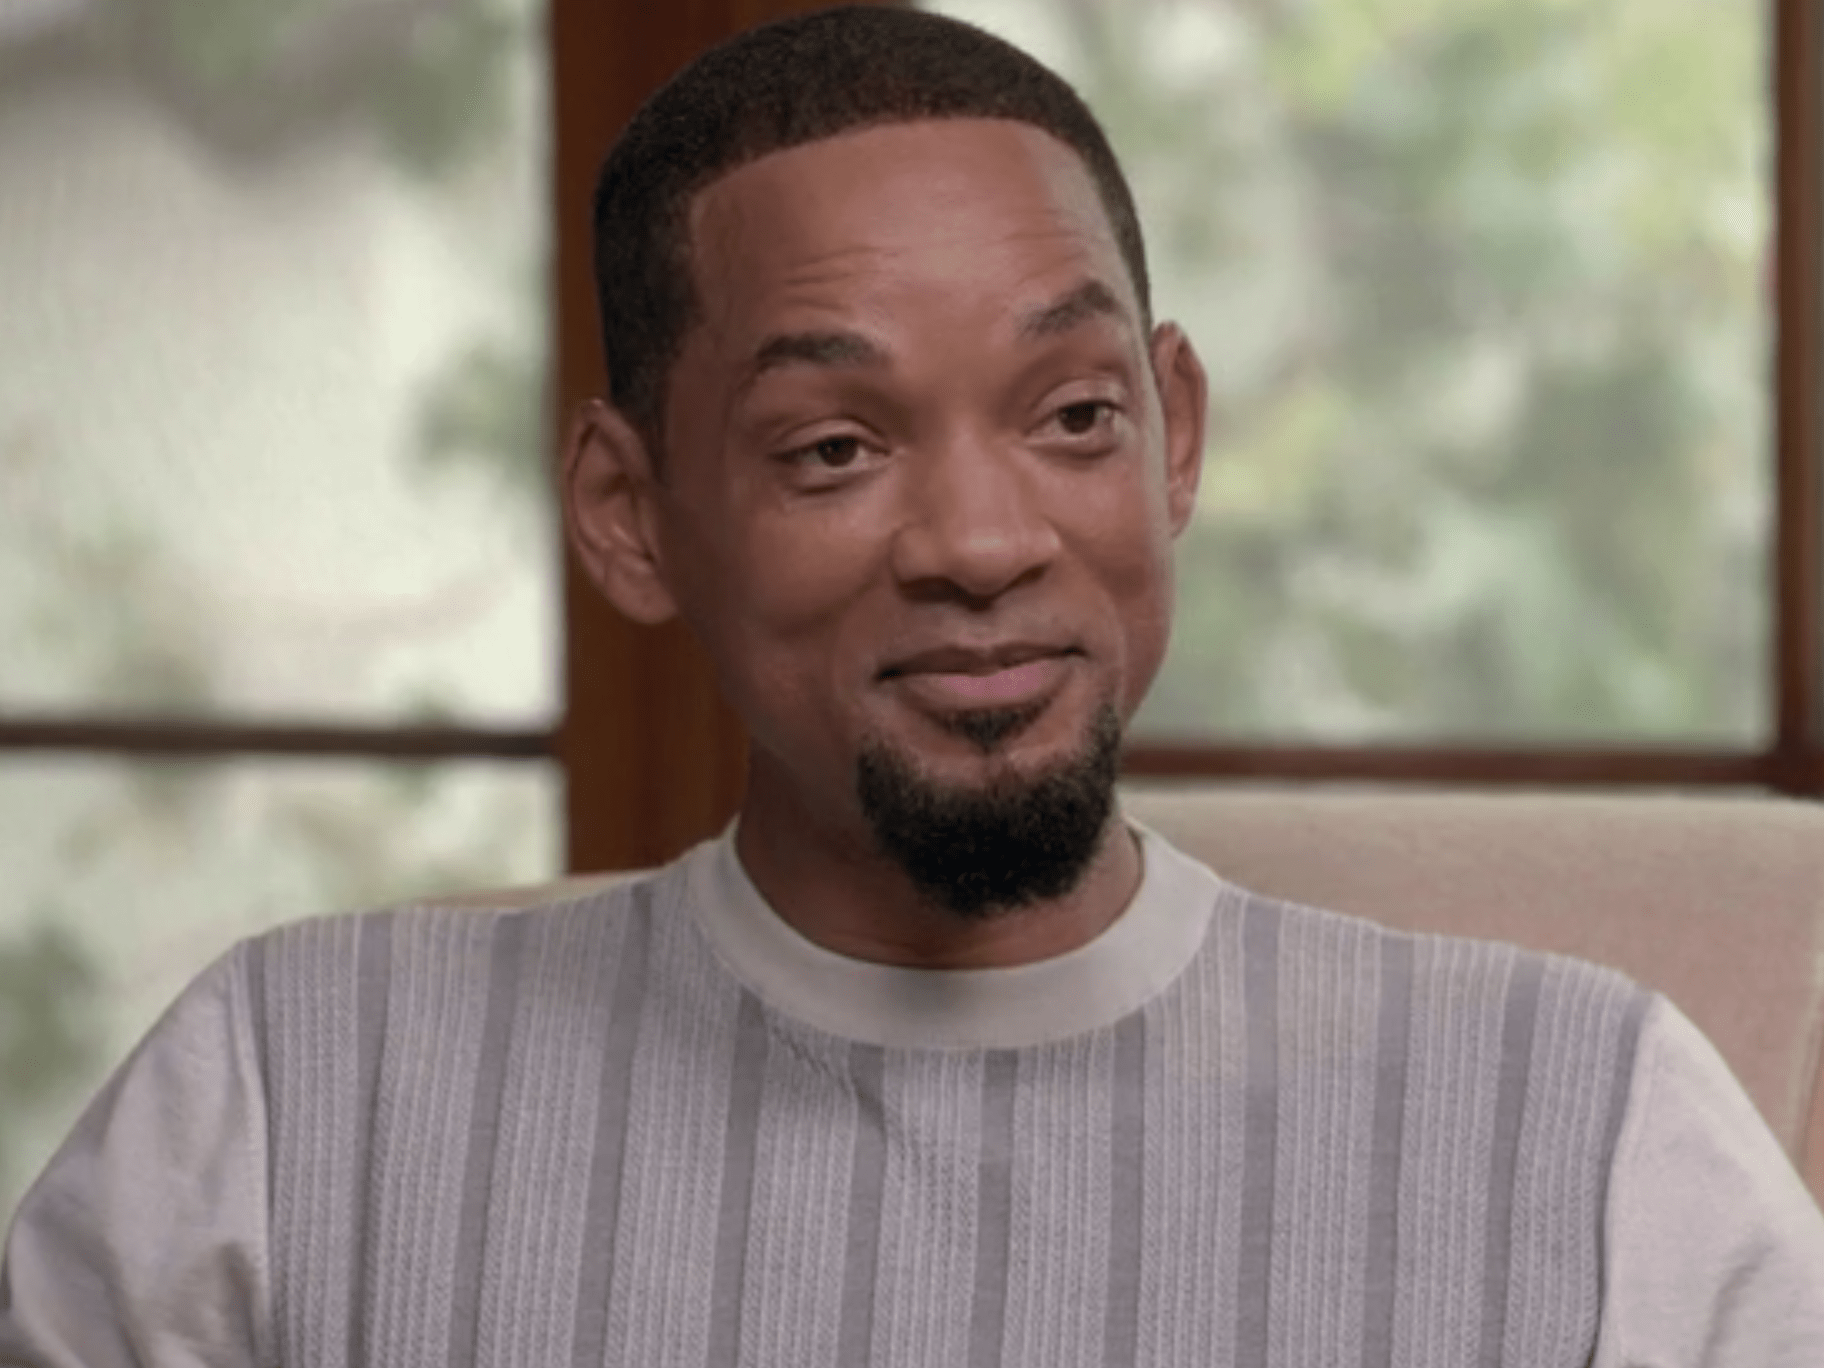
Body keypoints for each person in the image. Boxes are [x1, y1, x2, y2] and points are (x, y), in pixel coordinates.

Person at [4, 6, 1823, 1365]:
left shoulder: (1591, 1129)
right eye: (834, 447)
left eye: (1074, 416)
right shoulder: (285, 1102)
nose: (981, 540)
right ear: (631, 515)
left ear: (1177, 438)